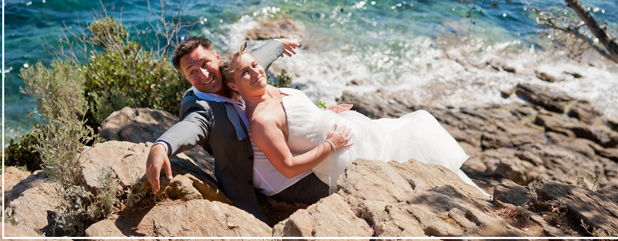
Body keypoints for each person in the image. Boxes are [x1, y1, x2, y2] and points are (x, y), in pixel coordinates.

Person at [219, 41, 480, 195]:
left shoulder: (270, 90)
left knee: (413, 128)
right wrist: (330, 145)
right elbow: (287, 166)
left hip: (350, 134)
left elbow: (295, 117)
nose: (255, 72)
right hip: (336, 162)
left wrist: (323, 110)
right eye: (244, 73)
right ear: (233, 87)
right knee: (413, 140)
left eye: (255, 64)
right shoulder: (261, 121)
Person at [145, 36, 342, 222]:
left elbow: (256, 59)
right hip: (273, 179)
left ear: (217, 58)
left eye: (205, 64)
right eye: (192, 72)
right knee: (343, 184)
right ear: (187, 78)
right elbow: (189, 127)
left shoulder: (237, 73)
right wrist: (161, 146)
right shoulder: (200, 108)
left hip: (292, 154)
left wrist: (278, 44)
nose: (204, 74)